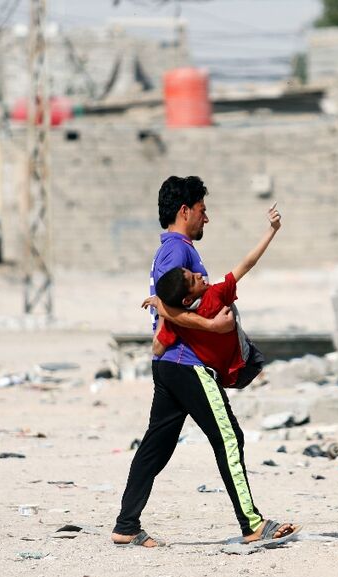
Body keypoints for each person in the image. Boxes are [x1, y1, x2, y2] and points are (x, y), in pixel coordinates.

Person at [111, 176, 298, 548]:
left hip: (172, 364)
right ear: (185, 211)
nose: (205, 219)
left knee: (157, 445)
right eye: (202, 210)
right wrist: (211, 325)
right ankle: (253, 524)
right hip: (186, 363)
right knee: (228, 435)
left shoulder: (175, 249)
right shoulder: (176, 252)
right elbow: (165, 307)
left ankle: (127, 525)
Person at [143, 202, 281, 388]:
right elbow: (247, 264)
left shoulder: (177, 323)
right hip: (236, 368)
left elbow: (157, 348)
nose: (199, 274)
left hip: (216, 374)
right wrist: (273, 229)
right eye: (193, 279)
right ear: (186, 299)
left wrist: (163, 309)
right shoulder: (215, 293)